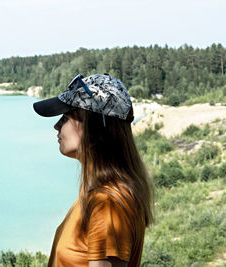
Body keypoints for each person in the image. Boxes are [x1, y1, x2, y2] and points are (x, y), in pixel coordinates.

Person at [33, 73, 153, 267]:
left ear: (93, 127)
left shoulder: (108, 203)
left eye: (66, 118)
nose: (56, 125)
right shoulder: (96, 194)